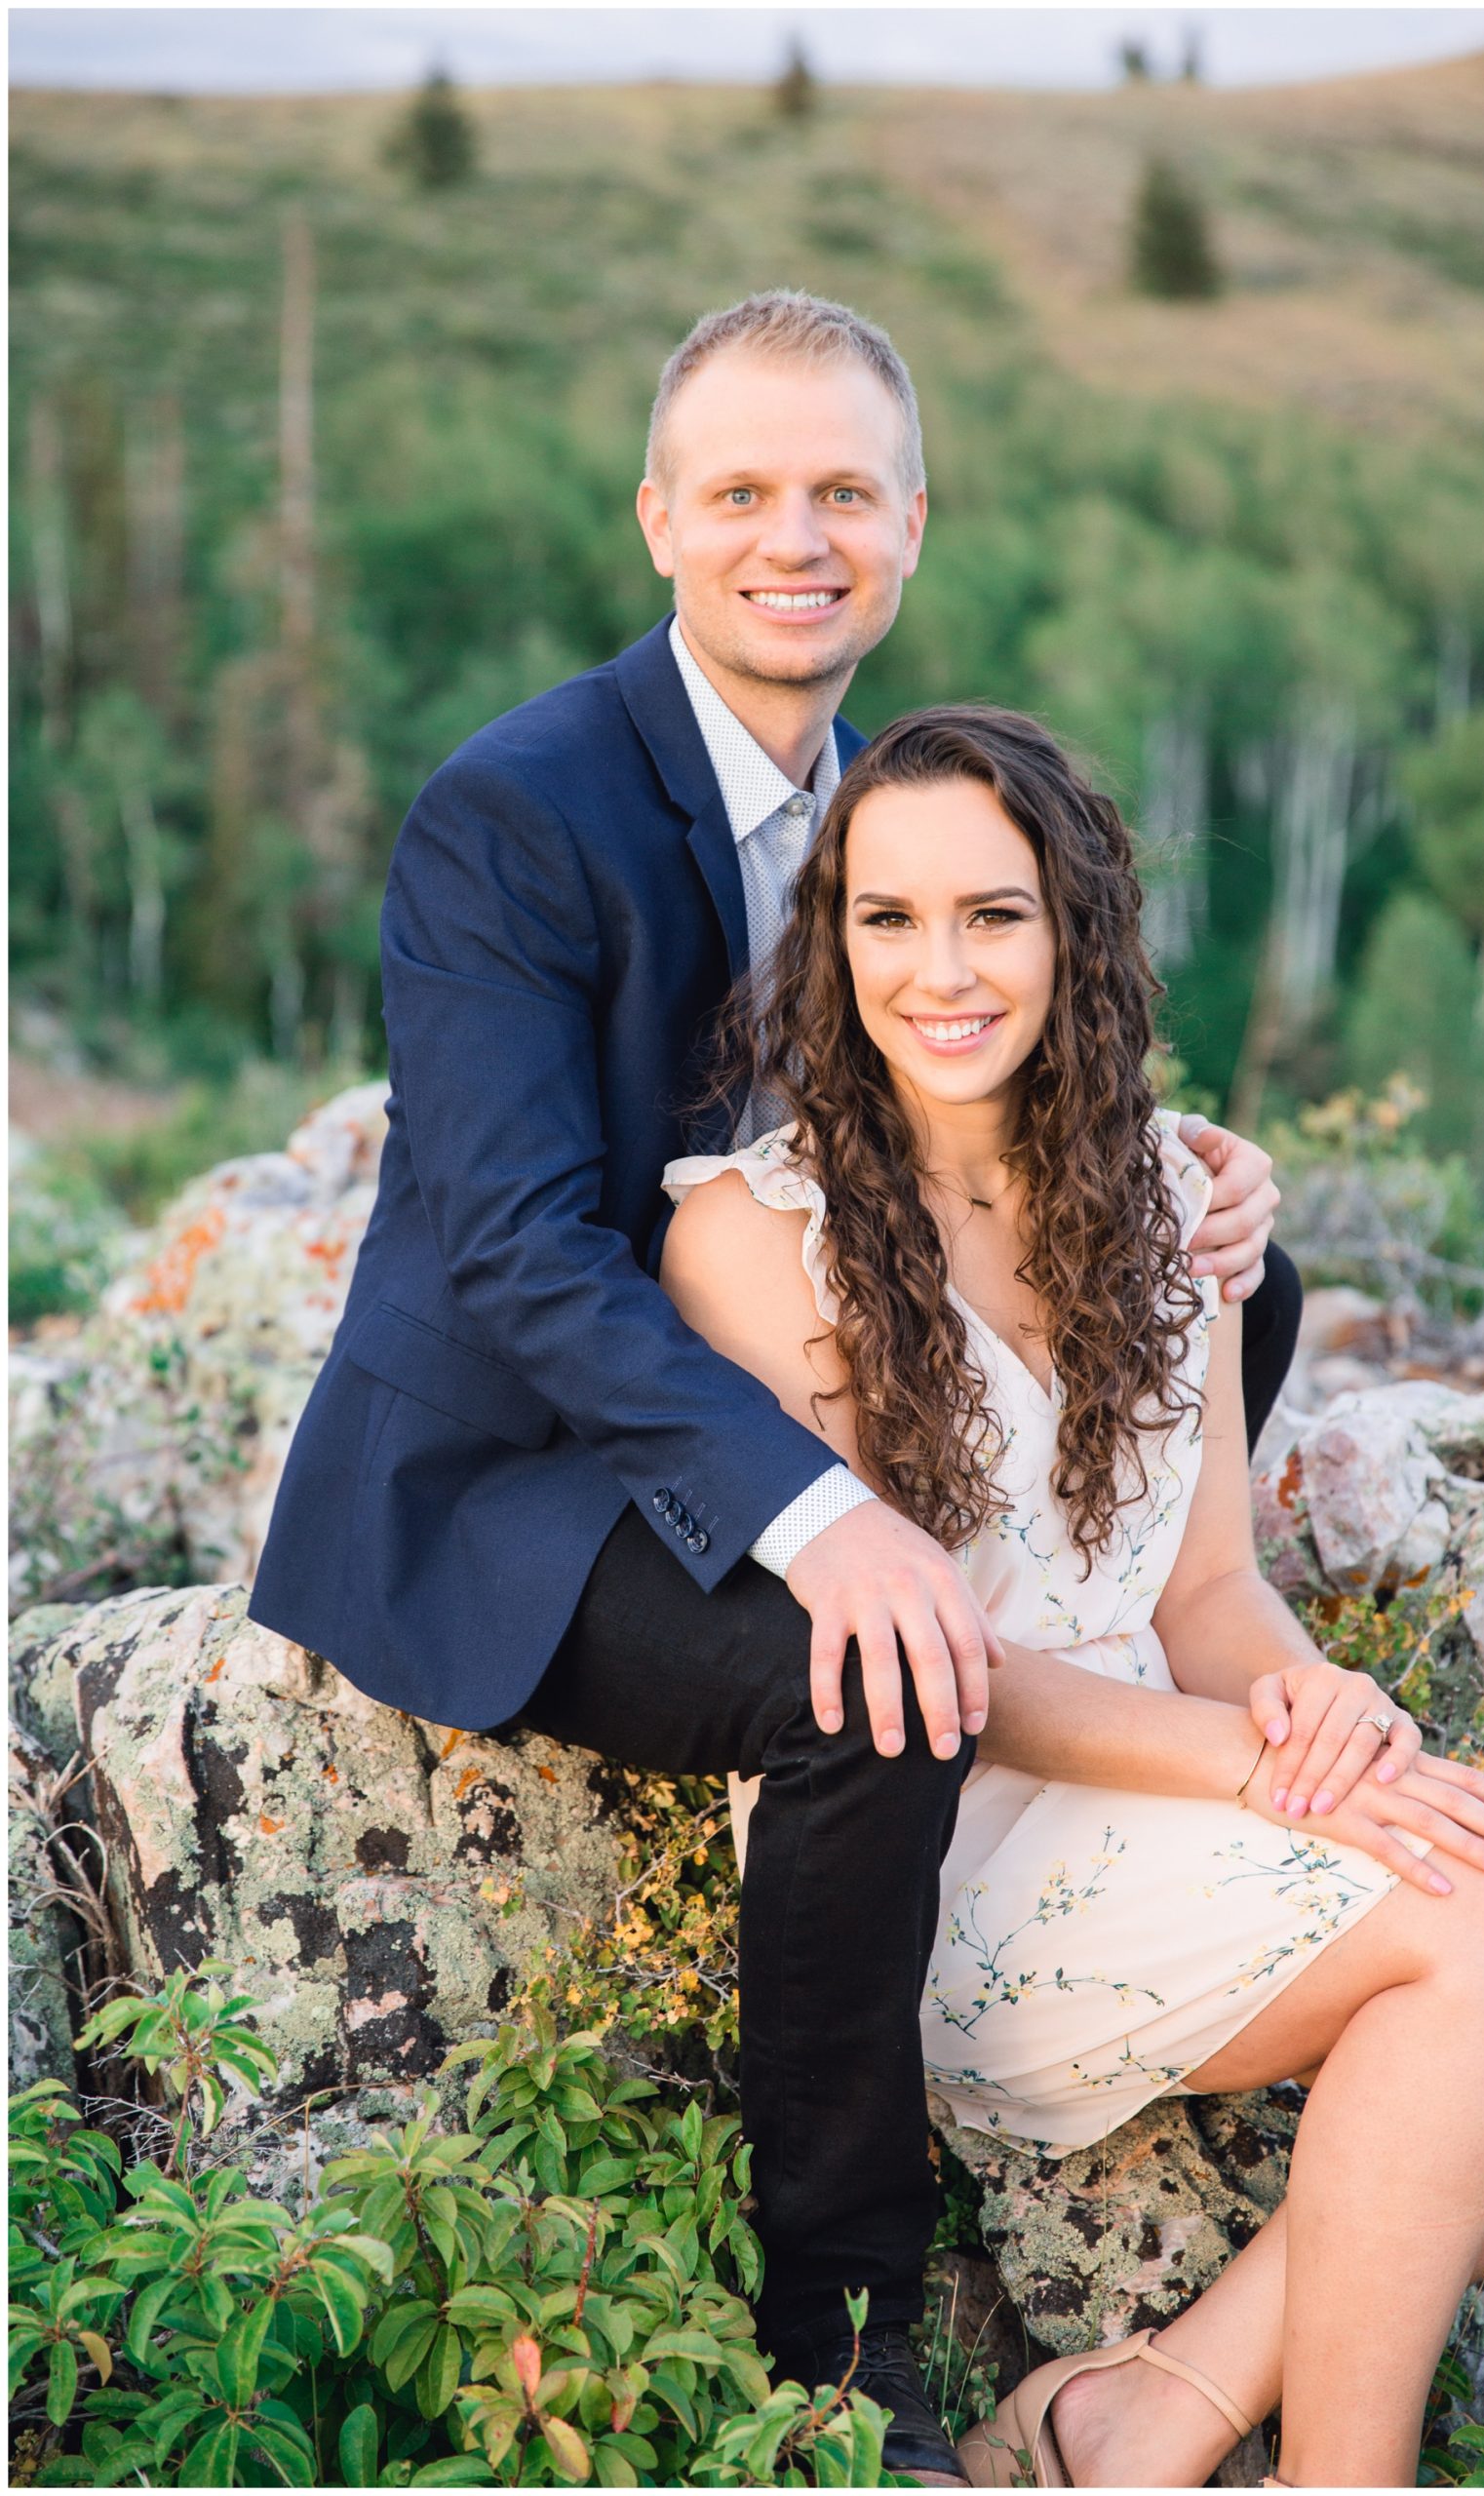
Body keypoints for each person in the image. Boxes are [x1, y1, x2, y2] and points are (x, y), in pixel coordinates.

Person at [249, 291, 1289, 2485]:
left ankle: (1121, 1621)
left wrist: (1188, 1180)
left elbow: (980, 1060)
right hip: (524, 1478)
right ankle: (839, 2339)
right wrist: (827, 1516)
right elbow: (525, 1248)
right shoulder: (512, 812)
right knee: (869, 1671)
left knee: (1226, 1311)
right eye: (739, 490)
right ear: (657, 520)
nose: (788, 535)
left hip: (794, 1360)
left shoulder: (885, 797)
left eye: (839, 492)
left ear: (908, 526)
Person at [655, 702, 1484, 2489]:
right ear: (830, 943)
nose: (939, 970)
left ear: (1074, 931)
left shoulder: (1166, 1191)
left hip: (1180, 1775)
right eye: (886, 920)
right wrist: (1260, 1770)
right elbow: (924, 1671)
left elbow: (1204, 1584)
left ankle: (1158, 2410)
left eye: (994, 915)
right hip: (942, 1844)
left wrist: (1299, 1698)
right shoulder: (755, 1237)